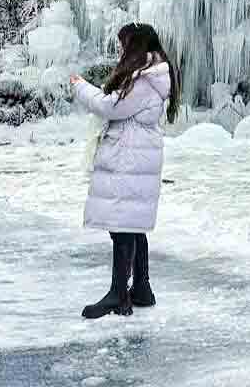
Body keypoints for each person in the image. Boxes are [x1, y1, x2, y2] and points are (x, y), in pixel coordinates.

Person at [68, 23, 180, 320]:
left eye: (123, 45)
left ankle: (119, 293)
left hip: (129, 157)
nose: (120, 51)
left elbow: (110, 107)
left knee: (121, 226)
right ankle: (141, 288)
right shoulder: (150, 75)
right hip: (135, 154)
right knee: (131, 224)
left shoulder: (145, 80)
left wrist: (81, 86)